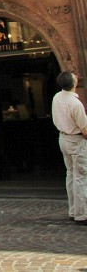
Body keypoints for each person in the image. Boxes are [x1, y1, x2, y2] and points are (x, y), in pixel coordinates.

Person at [51, 70, 87, 225]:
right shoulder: (75, 103)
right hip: (76, 140)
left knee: (71, 175)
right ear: (74, 84)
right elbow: (85, 129)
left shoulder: (57, 97)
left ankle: (73, 211)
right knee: (80, 177)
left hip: (63, 138)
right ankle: (81, 214)